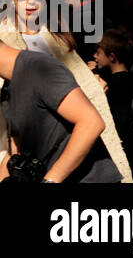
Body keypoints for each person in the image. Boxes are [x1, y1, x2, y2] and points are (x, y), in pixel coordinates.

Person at [0, 0, 133, 182]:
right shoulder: (5, 39)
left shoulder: (58, 37)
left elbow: (74, 85)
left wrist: (91, 83)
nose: (31, 1)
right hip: (33, 146)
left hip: (75, 140)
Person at [0, 41, 122, 183]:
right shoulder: (8, 90)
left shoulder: (38, 67)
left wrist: (50, 180)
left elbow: (91, 123)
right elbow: (15, 154)